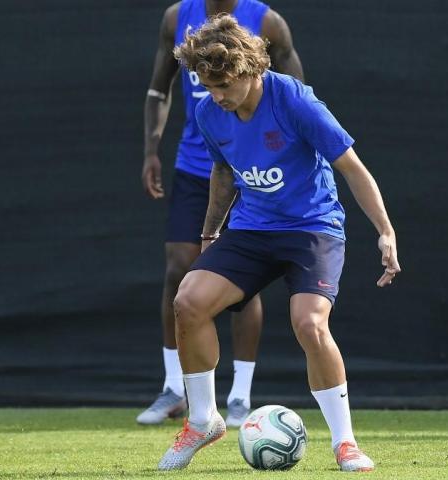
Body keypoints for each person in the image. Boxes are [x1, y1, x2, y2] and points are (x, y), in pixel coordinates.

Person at [157, 14, 400, 472]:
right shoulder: (212, 112)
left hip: (313, 227)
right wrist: (210, 236)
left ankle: (345, 443)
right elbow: (225, 171)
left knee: (309, 325)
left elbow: (352, 167)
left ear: (250, 69)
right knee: (188, 299)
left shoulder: (295, 100)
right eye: (209, 87)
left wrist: (385, 231)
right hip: (252, 229)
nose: (217, 97)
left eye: (224, 85)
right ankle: (203, 420)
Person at [138, 0, 304, 428]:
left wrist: (280, 159)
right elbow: (160, 88)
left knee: (240, 283)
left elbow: (296, 96)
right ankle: (175, 388)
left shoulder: (267, 22)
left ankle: (240, 396)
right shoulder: (176, 17)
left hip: (248, 168)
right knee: (179, 268)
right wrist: (151, 149)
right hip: (196, 167)